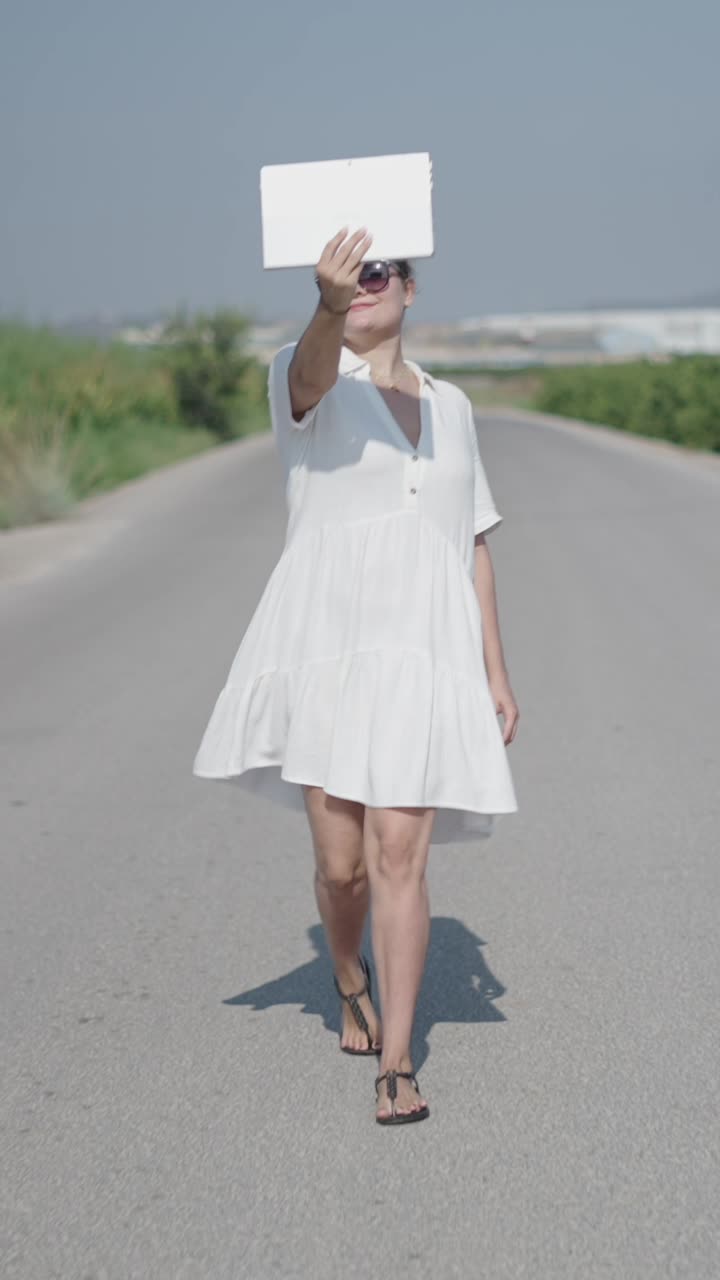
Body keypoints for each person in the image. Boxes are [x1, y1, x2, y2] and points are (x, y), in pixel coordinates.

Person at [193, 228, 519, 1125]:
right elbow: (305, 376)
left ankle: (400, 1063)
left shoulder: (452, 406)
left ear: (411, 290)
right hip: (330, 655)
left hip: (424, 656)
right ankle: (348, 975)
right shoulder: (310, 381)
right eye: (350, 277)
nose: (365, 286)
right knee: (343, 872)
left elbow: (474, 540)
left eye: (379, 274)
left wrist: (494, 668)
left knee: (400, 858)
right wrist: (328, 306)